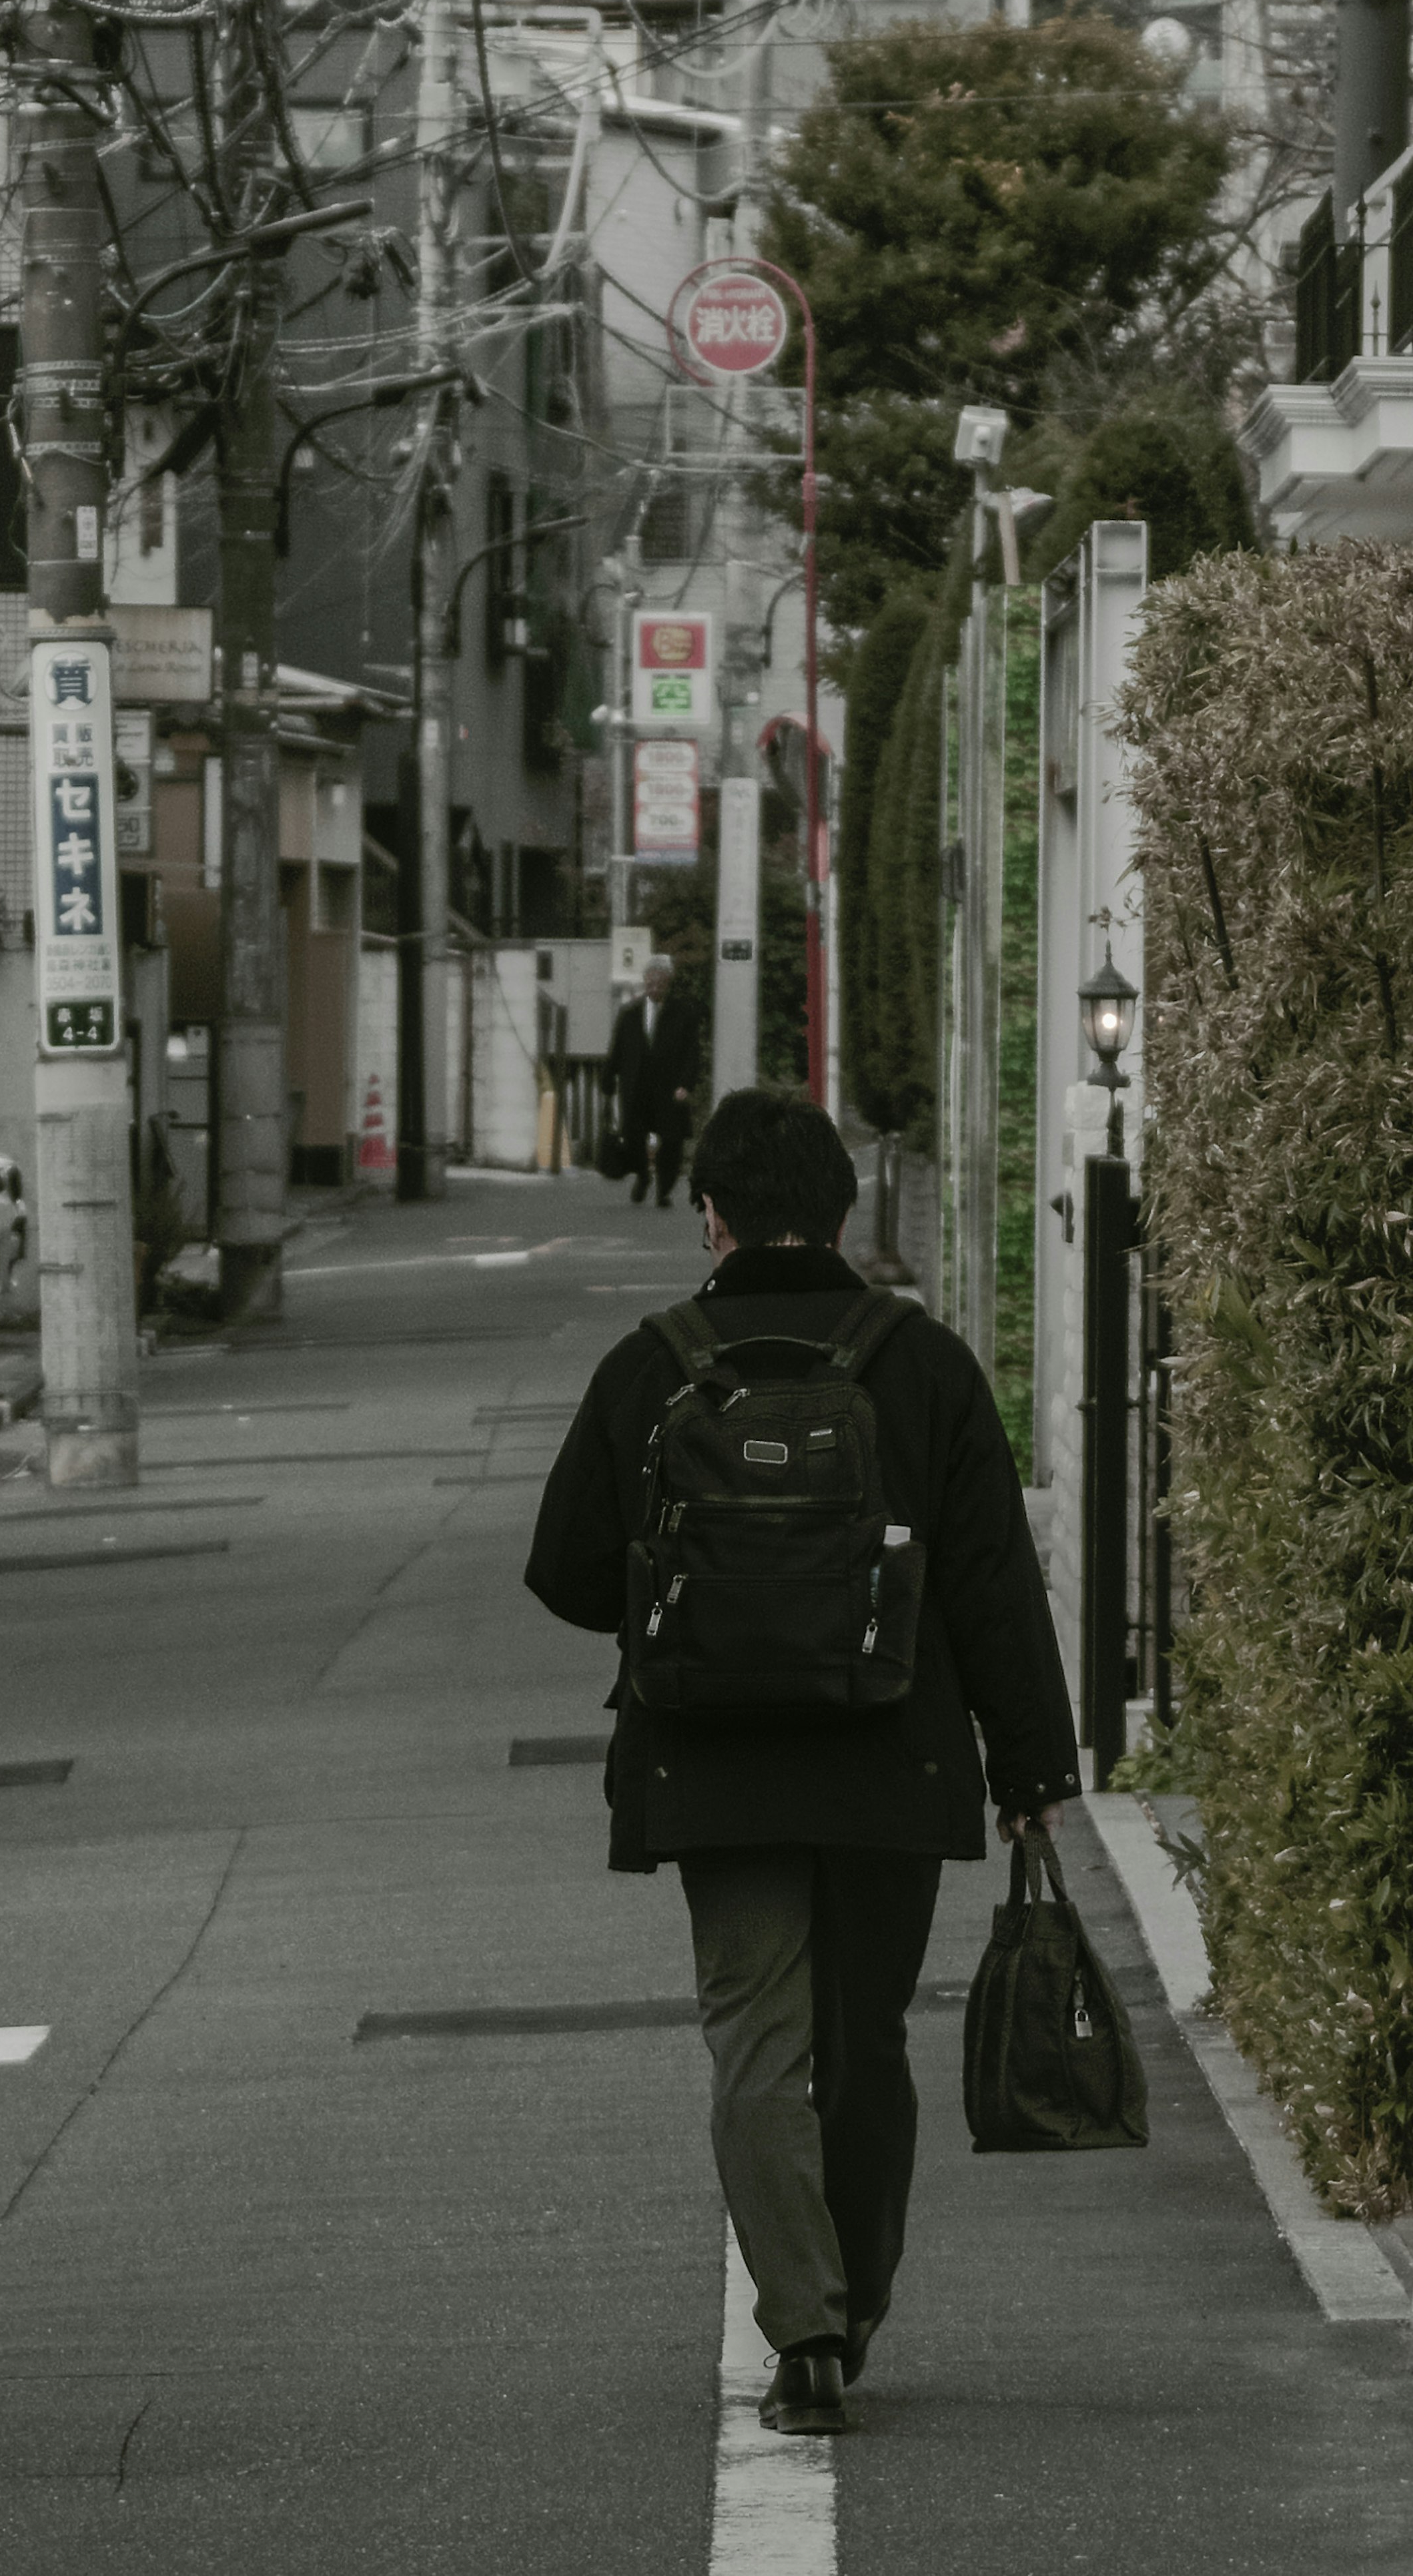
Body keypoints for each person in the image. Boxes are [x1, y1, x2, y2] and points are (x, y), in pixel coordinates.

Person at [524, 1088, 1079, 2435]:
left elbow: (567, 1568)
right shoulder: (925, 1363)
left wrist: (697, 1606)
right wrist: (1032, 1774)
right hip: (892, 1757)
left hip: (716, 1765)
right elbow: (994, 1586)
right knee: (865, 2041)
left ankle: (807, 2331)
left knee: (757, 2048)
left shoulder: (651, 1363)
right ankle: (861, 2295)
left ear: (710, 1217)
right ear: (840, 1211)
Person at [604, 955, 702, 1205]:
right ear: (645, 982)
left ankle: (664, 1190)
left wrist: (685, 1085)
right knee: (634, 1136)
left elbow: (693, 1053)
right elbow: (617, 1049)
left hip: (669, 1088)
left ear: (668, 983)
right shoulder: (630, 1014)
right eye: (651, 983)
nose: (655, 988)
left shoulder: (684, 1013)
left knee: (671, 1140)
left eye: (660, 983)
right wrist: (608, 1079)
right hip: (636, 1086)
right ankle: (643, 1176)